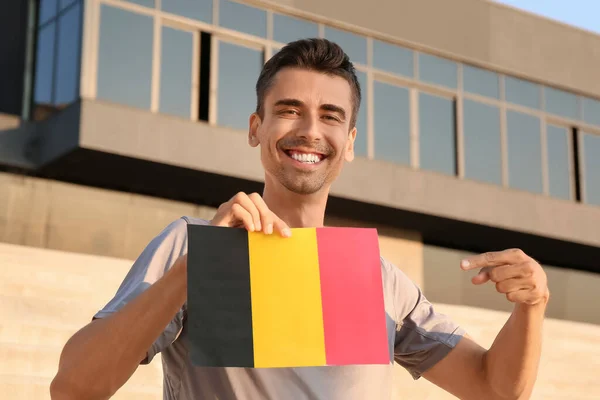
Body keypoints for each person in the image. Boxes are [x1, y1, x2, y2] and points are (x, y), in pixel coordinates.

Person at [50, 38, 549, 400]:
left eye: (331, 115)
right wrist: (197, 268)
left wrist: (532, 306)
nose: (310, 130)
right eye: (290, 110)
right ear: (256, 128)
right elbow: (74, 388)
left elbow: (494, 390)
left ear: (350, 142)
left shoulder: (379, 280)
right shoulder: (191, 245)